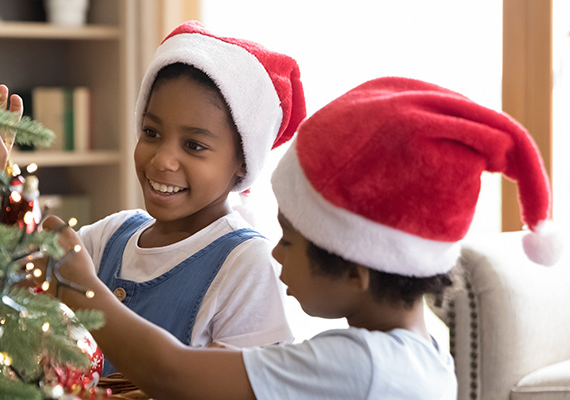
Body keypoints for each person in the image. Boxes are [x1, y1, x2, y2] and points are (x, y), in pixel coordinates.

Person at [40, 76, 562, 399]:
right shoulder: (415, 352)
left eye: (290, 239)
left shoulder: (362, 368)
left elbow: (171, 373)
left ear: (356, 268)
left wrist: (82, 289)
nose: (274, 250)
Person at [76, 21, 306, 375]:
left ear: (243, 159)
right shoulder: (108, 237)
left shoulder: (246, 264)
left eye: (194, 145)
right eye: (151, 132)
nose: (162, 160)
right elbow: (5, 277)